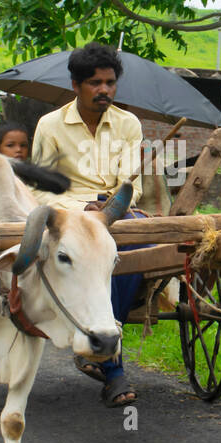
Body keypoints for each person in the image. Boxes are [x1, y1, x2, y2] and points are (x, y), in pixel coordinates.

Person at [30, 42, 144, 407]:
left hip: (116, 214)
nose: (104, 90)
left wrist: (109, 208)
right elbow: (39, 190)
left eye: (110, 83)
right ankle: (112, 366)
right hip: (67, 215)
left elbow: (132, 184)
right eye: (95, 83)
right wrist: (82, 207)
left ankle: (101, 342)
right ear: (76, 85)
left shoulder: (129, 125)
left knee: (135, 248)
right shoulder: (50, 126)